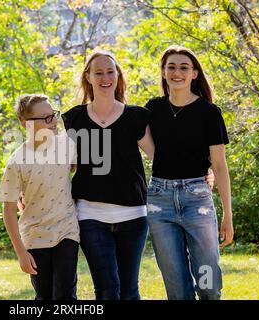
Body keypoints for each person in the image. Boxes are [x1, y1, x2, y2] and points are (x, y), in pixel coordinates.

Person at [61, 51, 155, 300]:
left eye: (110, 71)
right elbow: (64, 166)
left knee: (129, 289)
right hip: (90, 215)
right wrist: (29, 189)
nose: (105, 77)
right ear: (88, 77)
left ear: (118, 75)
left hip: (133, 216)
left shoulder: (136, 116)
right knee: (107, 288)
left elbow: (161, 158)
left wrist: (203, 171)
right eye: (99, 72)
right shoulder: (74, 118)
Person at [144, 45, 234, 300]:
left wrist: (227, 215)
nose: (177, 72)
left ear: (194, 73)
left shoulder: (209, 113)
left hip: (198, 203)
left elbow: (219, 166)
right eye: (171, 67)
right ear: (163, 72)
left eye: (184, 67)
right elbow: (139, 145)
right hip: (160, 204)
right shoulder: (152, 109)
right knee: (177, 289)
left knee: (209, 283)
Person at [0, 94, 79, 300]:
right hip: (34, 237)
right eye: (46, 118)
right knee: (44, 295)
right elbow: (8, 210)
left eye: (53, 115)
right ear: (26, 124)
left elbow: (84, 171)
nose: (53, 122)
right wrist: (21, 252)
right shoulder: (17, 161)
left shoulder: (67, 146)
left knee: (65, 295)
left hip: (66, 230)